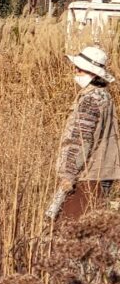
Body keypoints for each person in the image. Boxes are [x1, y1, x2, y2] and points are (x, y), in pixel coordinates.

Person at [46, 45, 120, 222]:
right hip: (103, 172)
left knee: (74, 235)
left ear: (92, 73)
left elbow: (81, 140)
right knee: (94, 232)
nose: (76, 70)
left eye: (80, 68)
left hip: (88, 175)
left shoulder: (90, 100)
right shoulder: (104, 95)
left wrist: (68, 175)